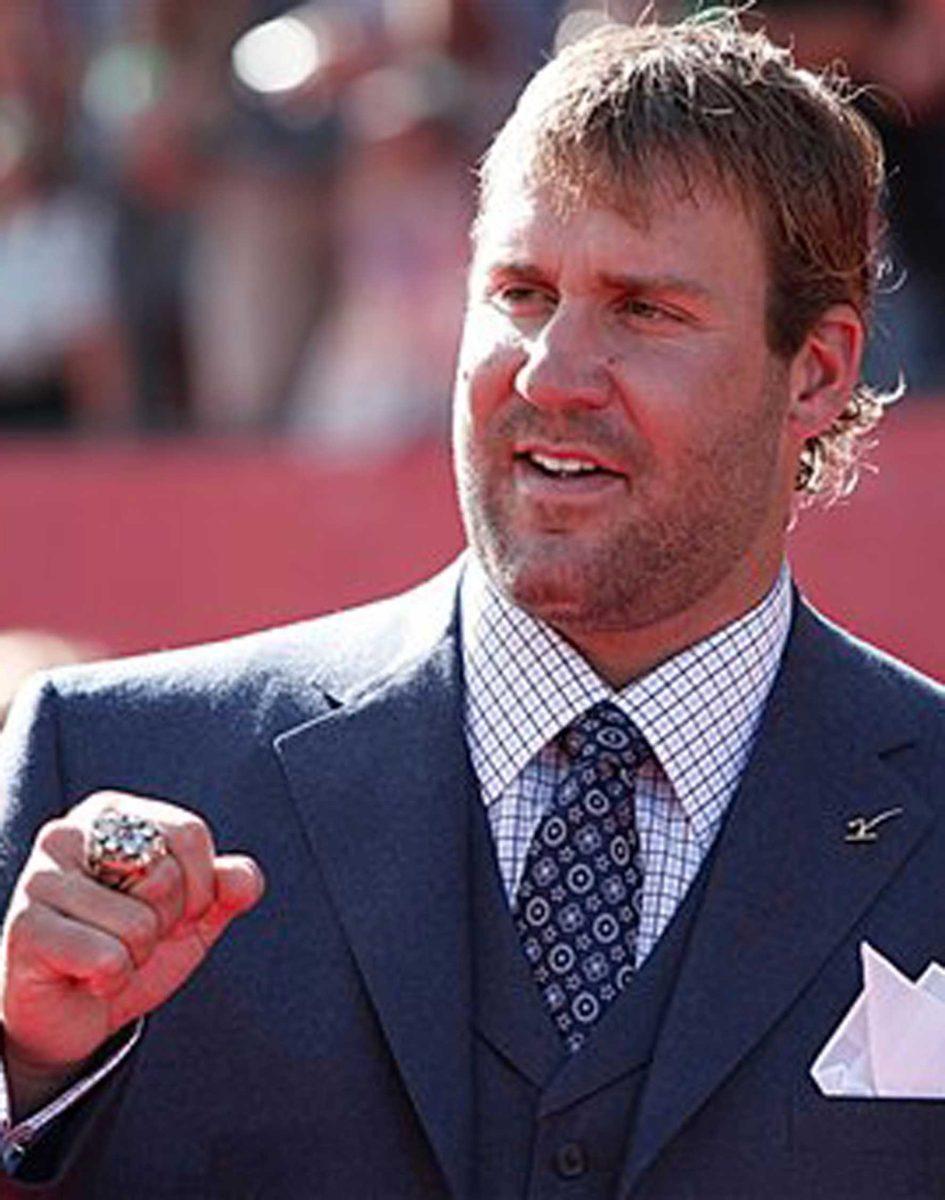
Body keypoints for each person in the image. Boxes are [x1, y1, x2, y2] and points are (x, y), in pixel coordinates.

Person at [1, 11, 943, 1199]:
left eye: (646, 310)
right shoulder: (118, 772)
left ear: (815, 371)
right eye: (522, 292)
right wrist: (24, 1075)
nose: (551, 372)